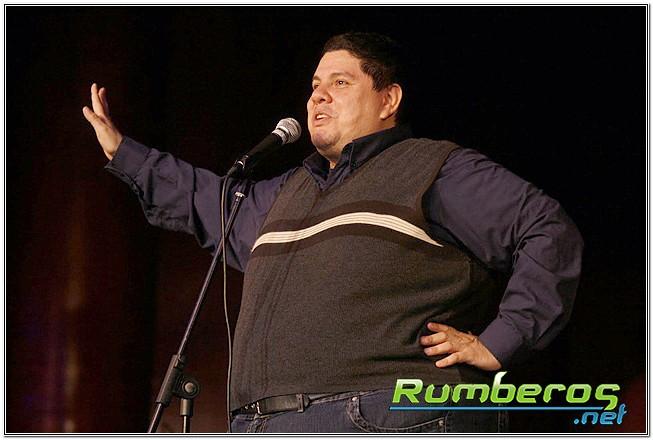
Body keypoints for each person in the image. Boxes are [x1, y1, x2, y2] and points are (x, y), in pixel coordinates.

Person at [82, 32, 583, 433]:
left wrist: (502, 339)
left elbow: (546, 229)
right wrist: (126, 154)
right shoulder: (286, 191)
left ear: (388, 99)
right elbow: (206, 200)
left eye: (340, 83)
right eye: (315, 85)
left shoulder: (433, 168)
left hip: (386, 417)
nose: (318, 95)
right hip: (265, 424)